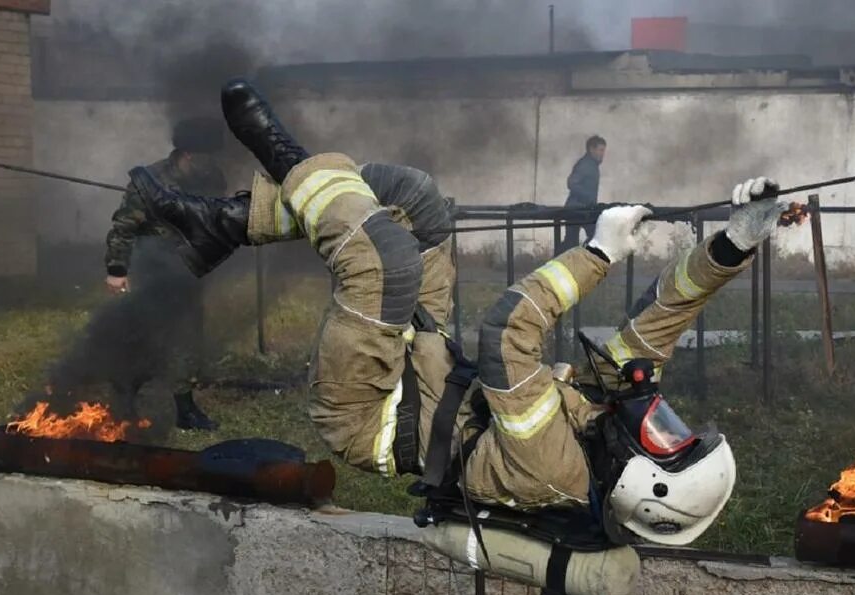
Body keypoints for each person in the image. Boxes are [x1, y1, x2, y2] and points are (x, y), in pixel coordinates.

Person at [128, 80, 791, 547]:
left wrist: (596, 252)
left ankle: (273, 164)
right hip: (430, 368)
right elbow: (663, 317)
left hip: (370, 407)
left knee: (381, 257)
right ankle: (221, 221)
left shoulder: (557, 466)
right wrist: (740, 239)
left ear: (647, 483)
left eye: (668, 443)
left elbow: (507, 335)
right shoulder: (602, 431)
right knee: (420, 205)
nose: (661, 422)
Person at [102, 117, 228, 430]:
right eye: (206, 157)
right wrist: (117, 270)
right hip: (153, 270)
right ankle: (126, 402)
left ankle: (185, 410)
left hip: (187, 271)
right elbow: (123, 227)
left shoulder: (210, 178)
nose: (212, 164)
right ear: (187, 155)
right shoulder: (150, 182)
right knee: (148, 339)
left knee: (187, 341)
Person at [561, 135, 606, 250]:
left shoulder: (591, 165)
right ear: (592, 149)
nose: (603, 153)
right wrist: (588, 199)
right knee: (596, 237)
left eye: (603, 150)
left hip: (579, 209)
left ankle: (574, 258)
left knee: (571, 243)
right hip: (578, 209)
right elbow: (571, 183)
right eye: (600, 150)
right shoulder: (586, 164)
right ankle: (580, 256)